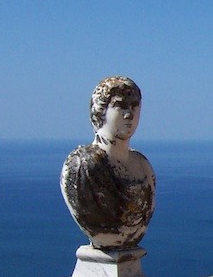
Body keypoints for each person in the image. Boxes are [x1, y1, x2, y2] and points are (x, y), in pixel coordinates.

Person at [61, 76, 156, 250]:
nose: (129, 114)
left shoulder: (143, 167)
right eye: (119, 106)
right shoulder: (82, 166)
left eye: (135, 106)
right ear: (100, 110)